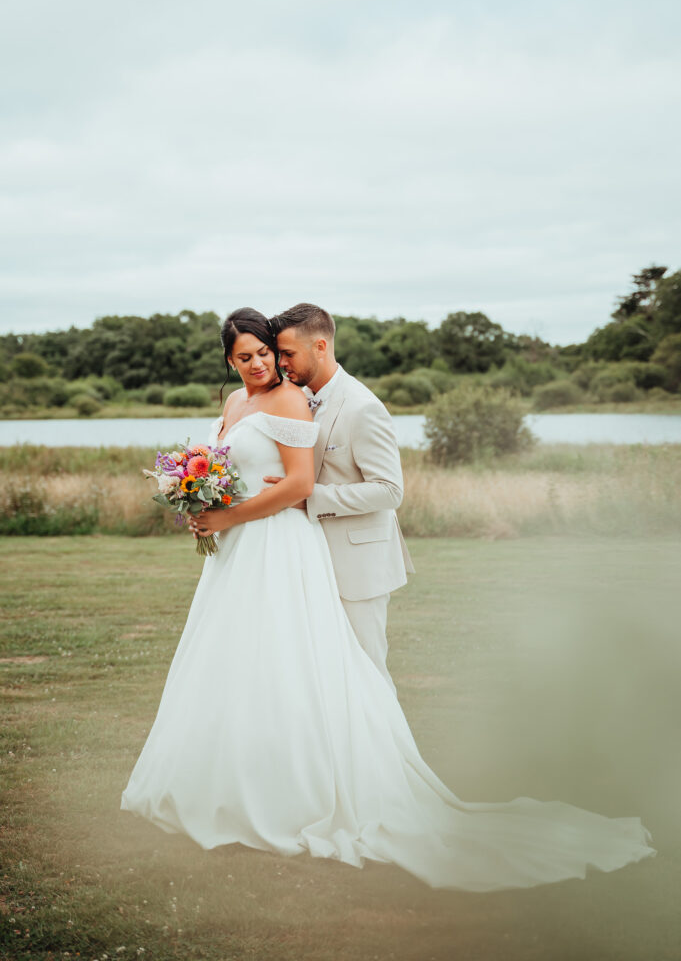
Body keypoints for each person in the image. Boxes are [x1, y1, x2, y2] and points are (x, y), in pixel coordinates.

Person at [120, 307, 654, 892]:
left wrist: (237, 512)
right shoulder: (250, 401)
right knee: (254, 667)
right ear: (229, 359)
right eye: (248, 355)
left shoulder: (347, 404)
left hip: (321, 552)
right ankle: (243, 784)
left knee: (353, 682)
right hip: (253, 553)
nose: (268, 363)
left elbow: (361, 488)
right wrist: (200, 504)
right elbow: (237, 467)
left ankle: (353, 791)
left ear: (312, 348)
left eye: (275, 353)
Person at [265, 302, 413, 693]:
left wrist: (309, 496)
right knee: (322, 674)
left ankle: (386, 754)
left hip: (358, 566)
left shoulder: (362, 407)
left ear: (320, 346)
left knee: (367, 671)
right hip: (310, 558)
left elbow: (389, 490)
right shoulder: (295, 399)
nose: (281, 363)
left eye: (287, 353)